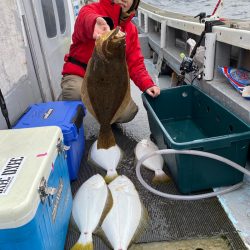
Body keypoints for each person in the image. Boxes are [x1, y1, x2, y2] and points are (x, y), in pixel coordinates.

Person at [61, 0, 160, 122]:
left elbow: (136, 64)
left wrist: (148, 84)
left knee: (128, 113)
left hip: (107, 82)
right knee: (74, 93)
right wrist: (94, 24)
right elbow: (85, 19)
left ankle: (106, 121)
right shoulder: (90, 11)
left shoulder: (131, 30)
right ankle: (67, 122)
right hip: (81, 74)